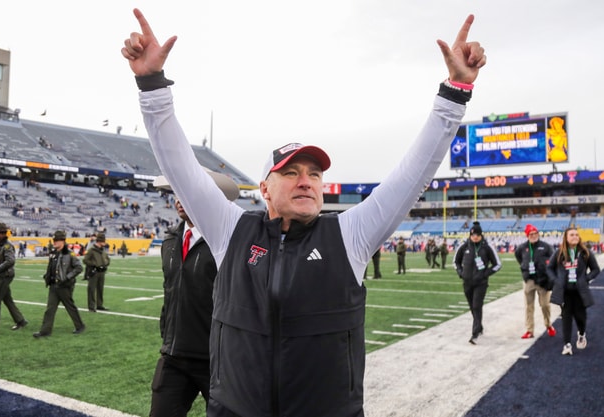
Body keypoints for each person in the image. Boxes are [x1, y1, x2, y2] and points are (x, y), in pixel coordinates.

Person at [123, 8, 485, 416]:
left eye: (314, 173)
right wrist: (151, 85)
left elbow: (412, 175)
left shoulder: (350, 235)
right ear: (264, 189)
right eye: (291, 172)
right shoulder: (231, 230)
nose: (306, 180)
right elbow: (180, 167)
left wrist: (454, 94)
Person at [149, 172, 238, 417]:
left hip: (218, 360)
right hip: (173, 356)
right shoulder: (170, 240)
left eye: (186, 190)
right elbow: (170, 292)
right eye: (176, 191)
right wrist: (167, 336)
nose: (179, 198)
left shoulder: (228, 241)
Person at [548, 227, 601, 355]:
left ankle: (581, 334)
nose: (575, 237)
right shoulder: (559, 253)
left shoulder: (585, 252)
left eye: (577, 235)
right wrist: (556, 280)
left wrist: (586, 279)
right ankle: (567, 344)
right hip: (565, 291)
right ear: (566, 238)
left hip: (580, 291)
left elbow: (596, 269)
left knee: (580, 317)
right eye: (572, 235)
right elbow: (549, 268)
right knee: (566, 317)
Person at [453, 221, 501, 345]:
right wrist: (460, 272)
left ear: (481, 235)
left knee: (476, 306)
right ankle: (479, 326)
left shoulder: (486, 247)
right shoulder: (464, 247)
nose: (475, 237)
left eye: (477, 235)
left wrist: (485, 274)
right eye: (473, 234)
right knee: (472, 307)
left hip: (481, 283)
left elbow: (497, 264)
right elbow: (455, 261)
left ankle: (475, 333)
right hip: (467, 282)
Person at [34, 230, 86, 337]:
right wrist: (47, 276)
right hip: (54, 285)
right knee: (50, 309)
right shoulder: (53, 253)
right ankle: (45, 331)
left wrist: (67, 278)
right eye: (54, 240)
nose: (55, 242)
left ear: (62, 241)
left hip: (64, 285)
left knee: (70, 307)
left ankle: (80, 325)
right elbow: (51, 267)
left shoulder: (69, 253)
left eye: (57, 240)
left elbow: (79, 268)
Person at [514, 224, 555, 339]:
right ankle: (529, 330)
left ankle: (548, 325)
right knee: (529, 306)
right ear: (527, 235)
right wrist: (525, 269)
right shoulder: (522, 247)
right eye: (531, 234)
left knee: (545, 305)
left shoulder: (546, 246)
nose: (534, 235)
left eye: (535, 233)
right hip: (529, 281)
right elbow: (519, 258)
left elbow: (553, 261)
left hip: (543, 280)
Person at [83, 232, 111, 312]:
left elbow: (107, 258)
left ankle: (99, 305)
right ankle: (91, 306)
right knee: (91, 290)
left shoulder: (103, 250)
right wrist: (94, 264)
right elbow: (85, 260)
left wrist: (106, 263)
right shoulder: (92, 250)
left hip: (102, 272)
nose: (105, 243)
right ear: (99, 241)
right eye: (103, 241)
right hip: (94, 271)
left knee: (100, 289)